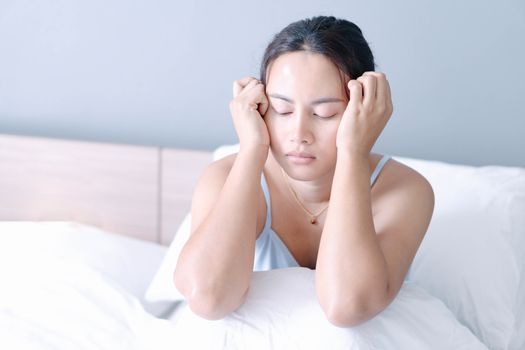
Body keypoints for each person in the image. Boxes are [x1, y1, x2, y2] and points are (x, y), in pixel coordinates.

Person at [174, 15, 434, 327]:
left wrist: (354, 151)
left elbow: (347, 306)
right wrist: (251, 150)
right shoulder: (226, 177)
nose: (299, 133)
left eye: (325, 113)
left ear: (362, 109)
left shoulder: (407, 191)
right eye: (282, 110)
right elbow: (208, 297)